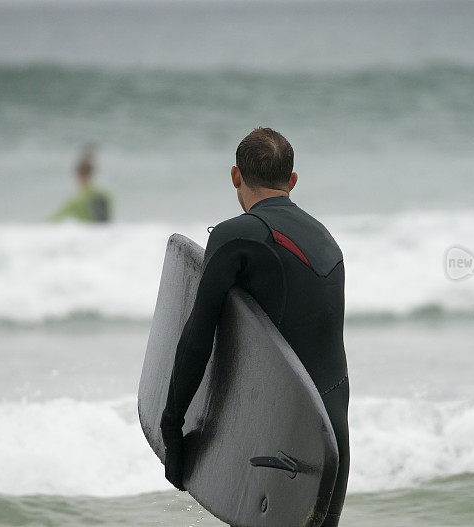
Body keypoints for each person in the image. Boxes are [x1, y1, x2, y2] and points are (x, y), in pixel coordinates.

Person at [160, 127, 349, 526]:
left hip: (279, 440)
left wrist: (172, 429)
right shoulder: (327, 242)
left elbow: (198, 337)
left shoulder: (236, 236)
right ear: (292, 181)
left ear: (235, 176)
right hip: (329, 442)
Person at [50, 147, 112, 223]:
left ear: (77, 174)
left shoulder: (77, 200)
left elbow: (55, 219)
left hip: (89, 231)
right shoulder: (105, 194)